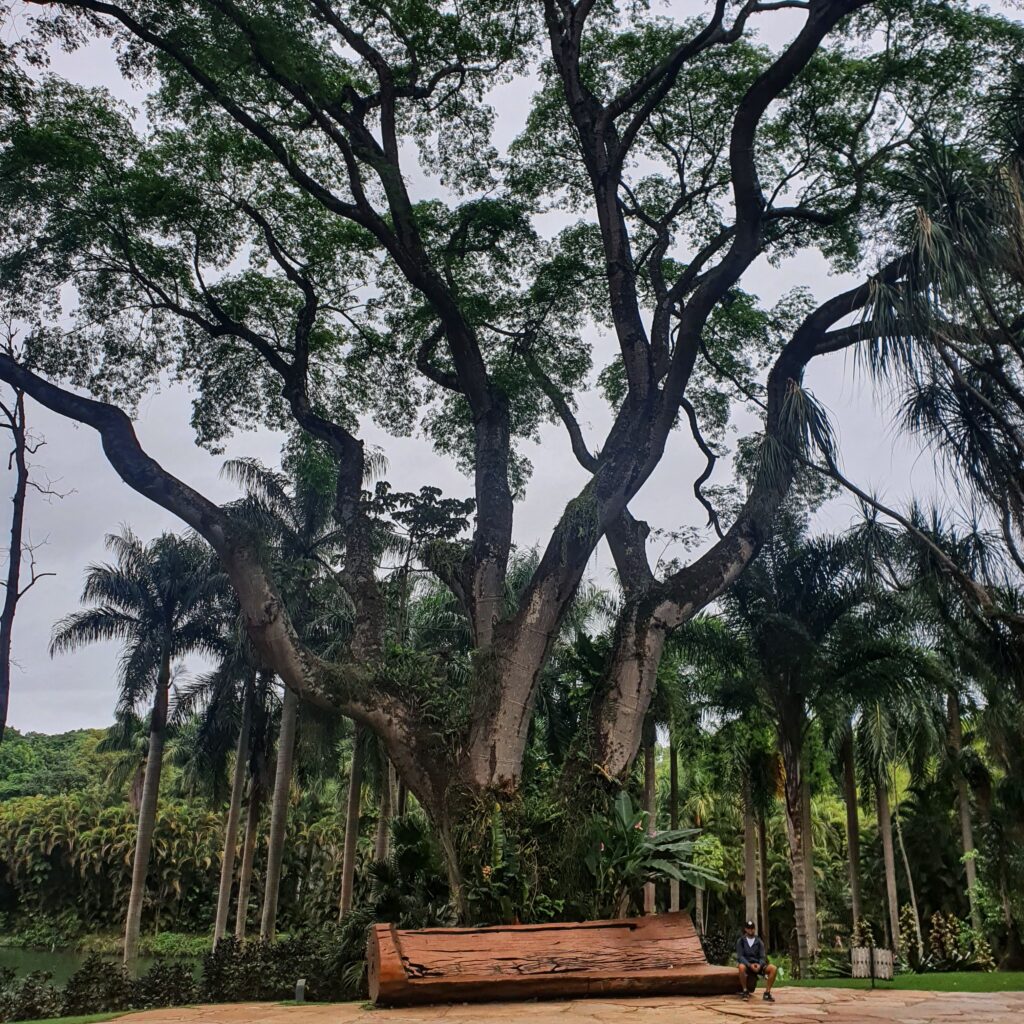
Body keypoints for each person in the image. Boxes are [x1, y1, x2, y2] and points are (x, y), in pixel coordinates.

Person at [736, 920, 777, 1002]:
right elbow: (740, 957)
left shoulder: (759, 941)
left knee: (773, 968)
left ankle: (767, 993)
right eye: (749, 929)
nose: (750, 930)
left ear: (754, 929)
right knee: (741, 967)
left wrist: (760, 965)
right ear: (745, 929)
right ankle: (745, 991)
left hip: (758, 965)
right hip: (747, 965)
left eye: (752, 929)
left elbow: (762, 956)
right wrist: (749, 965)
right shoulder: (741, 941)